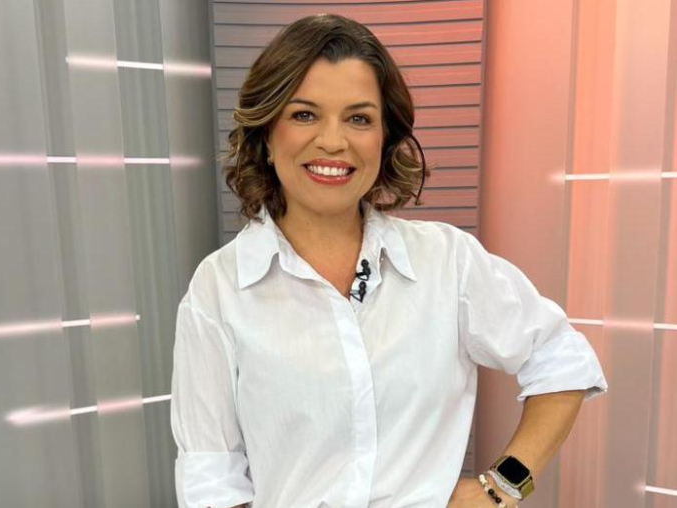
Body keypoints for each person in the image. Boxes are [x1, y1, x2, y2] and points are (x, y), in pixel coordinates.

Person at [170, 13, 608, 508]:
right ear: (267, 135)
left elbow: (562, 361)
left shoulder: (447, 262)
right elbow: (211, 477)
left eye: (358, 118)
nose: (333, 141)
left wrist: (502, 487)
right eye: (304, 115)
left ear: (385, 137)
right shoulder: (218, 288)